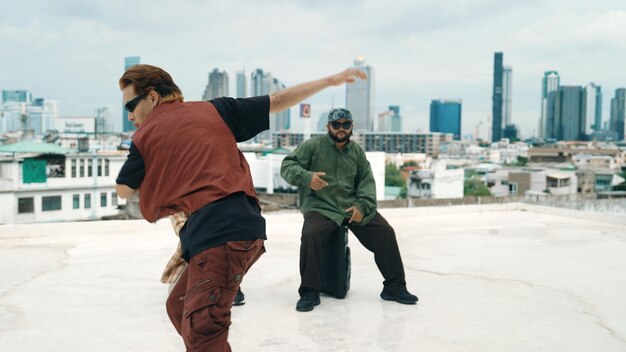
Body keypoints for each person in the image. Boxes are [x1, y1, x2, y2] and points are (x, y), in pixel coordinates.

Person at [115, 64, 367, 351]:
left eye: (130, 106)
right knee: (178, 305)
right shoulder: (215, 111)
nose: (130, 116)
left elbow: (123, 189)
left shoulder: (146, 138)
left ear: (152, 97)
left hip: (222, 237)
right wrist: (330, 80)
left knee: (203, 328)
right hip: (231, 231)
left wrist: (154, 158)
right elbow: (278, 101)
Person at [280, 108, 418, 312]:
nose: (341, 129)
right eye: (336, 125)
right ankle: (310, 291)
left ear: (351, 126)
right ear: (328, 126)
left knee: (385, 233)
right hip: (321, 205)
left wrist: (362, 206)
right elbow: (287, 166)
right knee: (311, 234)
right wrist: (307, 177)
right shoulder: (313, 146)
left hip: (351, 206)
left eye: (346, 125)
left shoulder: (357, 152)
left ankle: (394, 287)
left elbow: (366, 182)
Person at [163, 211, 245, 305]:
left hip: (218, 249)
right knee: (177, 299)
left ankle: (227, 284)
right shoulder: (178, 203)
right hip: (192, 251)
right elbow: (181, 227)